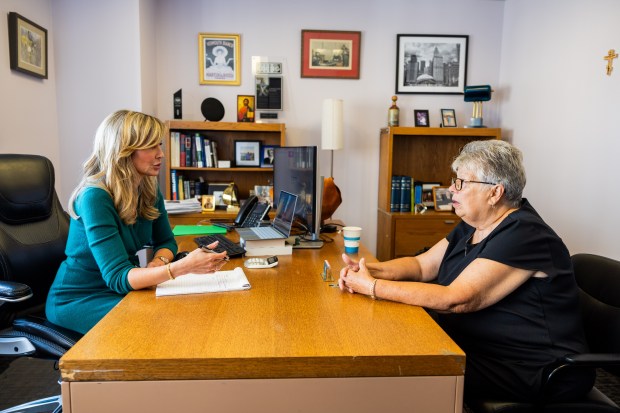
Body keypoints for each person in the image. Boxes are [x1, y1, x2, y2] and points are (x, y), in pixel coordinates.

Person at [337, 140, 594, 404]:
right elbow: (422, 265)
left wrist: (372, 287)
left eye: (461, 183)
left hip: (531, 366)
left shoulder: (525, 234)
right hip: (482, 347)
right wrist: (368, 270)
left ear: (495, 193)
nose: (451, 189)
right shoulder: (474, 224)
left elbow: (458, 299)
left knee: (404, 369)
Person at [45, 110, 228, 334]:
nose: (160, 154)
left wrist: (159, 263)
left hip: (123, 288)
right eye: (151, 147)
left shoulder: (148, 188)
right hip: (81, 299)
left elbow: (167, 241)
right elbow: (118, 276)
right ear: (123, 151)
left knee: (187, 311)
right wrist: (182, 267)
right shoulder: (95, 197)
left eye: (159, 145)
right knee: (167, 322)